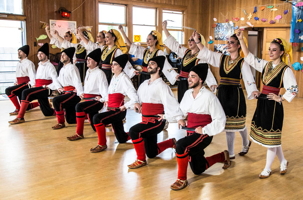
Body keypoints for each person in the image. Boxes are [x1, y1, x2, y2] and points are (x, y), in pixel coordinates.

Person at [237, 31, 298, 178]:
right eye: (269, 49)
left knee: (271, 139)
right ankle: (283, 161)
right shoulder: (265, 65)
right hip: (263, 102)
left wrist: (281, 98)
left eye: (274, 50)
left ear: (281, 52)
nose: (270, 52)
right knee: (272, 138)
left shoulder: (286, 69)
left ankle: (267, 168)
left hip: (274, 105)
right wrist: (240, 39)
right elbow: (250, 58)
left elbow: (294, 89)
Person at [194, 31, 259, 159]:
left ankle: (238, 148)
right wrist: (197, 42)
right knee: (228, 124)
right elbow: (208, 54)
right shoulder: (222, 58)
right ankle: (237, 149)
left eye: (232, 42)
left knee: (237, 123)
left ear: (239, 45)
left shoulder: (243, 62)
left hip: (235, 94)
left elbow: (248, 77)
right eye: (228, 42)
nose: (228, 45)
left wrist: (253, 90)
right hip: (222, 93)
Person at [171, 64, 230, 191]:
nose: (189, 79)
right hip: (190, 133)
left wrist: (204, 130)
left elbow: (220, 119)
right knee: (198, 169)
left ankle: (181, 178)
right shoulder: (187, 93)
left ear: (201, 79)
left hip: (204, 134)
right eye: (189, 76)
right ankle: (222, 156)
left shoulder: (210, 97)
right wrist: (180, 118)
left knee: (181, 145)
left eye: (193, 77)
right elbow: (182, 111)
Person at [127, 55, 183, 169]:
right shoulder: (144, 84)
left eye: (152, 64)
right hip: (145, 120)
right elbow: (137, 100)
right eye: (149, 64)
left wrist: (178, 118)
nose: (149, 65)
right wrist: (136, 104)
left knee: (134, 131)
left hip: (156, 121)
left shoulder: (162, 86)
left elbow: (171, 103)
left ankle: (140, 160)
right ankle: (170, 142)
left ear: (159, 69)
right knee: (151, 153)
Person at [90, 54, 139, 153]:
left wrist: (124, 106)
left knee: (97, 118)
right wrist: (101, 99)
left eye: (115, 64)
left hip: (117, 111)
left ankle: (102, 144)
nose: (112, 66)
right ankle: (142, 134)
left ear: (121, 67)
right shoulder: (114, 77)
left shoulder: (124, 78)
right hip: (111, 109)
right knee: (121, 138)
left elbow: (135, 97)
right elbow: (110, 95)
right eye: (112, 64)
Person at [162, 21, 217, 102]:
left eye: (192, 40)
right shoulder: (186, 52)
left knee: (190, 104)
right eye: (189, 40)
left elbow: (206, 70)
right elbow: (174, 45)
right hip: (182, 84)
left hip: (192, 84)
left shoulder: (200, 56)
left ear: (198, 41)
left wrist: (212, 84)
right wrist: (165, 29)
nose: (190, 42)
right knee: (182, 104)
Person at [9, 43, 62, 124]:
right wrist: (34, 85)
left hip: (46, 88)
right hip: (39, 88)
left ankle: (20, 117)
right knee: (47, 113)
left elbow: (55, 79)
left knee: (26, 92)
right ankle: (63, 111)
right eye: (38, 54)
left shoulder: (50, 66)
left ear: (46, 55)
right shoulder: (40, 65)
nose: (39, 55)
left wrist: (55, 88)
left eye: (41, 54)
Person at [67, 48, 108, 141]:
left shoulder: (100, 73)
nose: (87, 61)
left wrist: (103, 99)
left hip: (96, 100)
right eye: (87, 59)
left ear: (96, 62)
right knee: (95, 125)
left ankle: (79, 133)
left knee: (79, 106)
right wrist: (81, 93)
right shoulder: (88, 71)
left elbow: (104, 88)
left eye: (90, 59)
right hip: (88, 99)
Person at [51, 47, 84, 129]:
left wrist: (80, 93)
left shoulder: (73, 67)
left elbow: (77, 81)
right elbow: (57, 81)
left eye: (64, 55)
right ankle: (86, 115)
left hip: (73, 93)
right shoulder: (62, 69)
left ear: (69, 57)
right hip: (66, 92)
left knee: (56, 100)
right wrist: (55, 87)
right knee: (71, 120)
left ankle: (61, 122)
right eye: (61, 55)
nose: (62, 56)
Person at [5, 45, 38, 115]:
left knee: (8, 90)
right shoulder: (18, 63)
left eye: (20, 52)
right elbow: (17, 75)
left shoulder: (29, 63)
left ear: (25, 54)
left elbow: (32, 74)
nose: (18, 53)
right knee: (26, 106)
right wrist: (15, 82)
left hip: (26, 84)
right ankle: (41, 103)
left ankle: (18, 109)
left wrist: (32, 84)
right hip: (20, 84)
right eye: (18, 51)